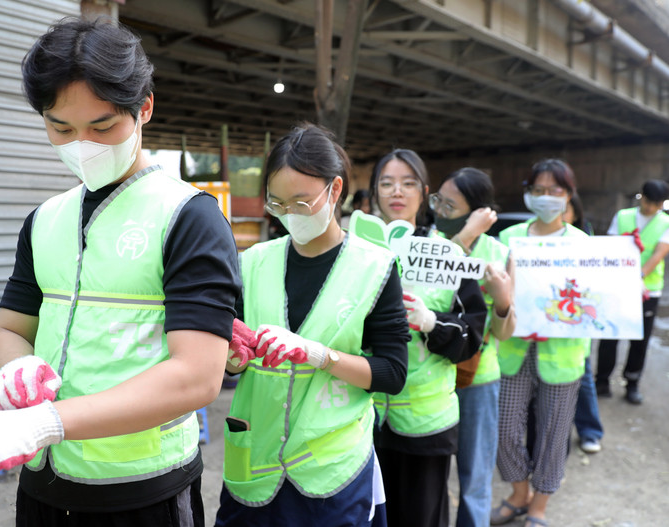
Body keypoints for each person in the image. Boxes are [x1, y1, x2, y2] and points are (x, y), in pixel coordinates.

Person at [0, 18, 241, 526]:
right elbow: (13, 328)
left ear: (144, 107)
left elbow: (197, 376)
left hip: (141, 487)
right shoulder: (45, 220)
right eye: (61, 127)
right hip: (46, 483)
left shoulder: (190, 217)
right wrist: (15, 368)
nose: (83, 145)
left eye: (102, 126)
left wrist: (42, 423)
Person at [214, 124, 410, 527]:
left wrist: (320, 355)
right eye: (277, 203)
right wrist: (231, 360)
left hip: (332, 470)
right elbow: (226, 359)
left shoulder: (375, 268)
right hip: (255, 462)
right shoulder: (252, 262)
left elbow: (392, 373)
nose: (288, 215)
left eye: (301, 203)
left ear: (334, 190)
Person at [367, 150, 487, 527]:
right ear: (373, 193)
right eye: (386, 183)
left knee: (422, 517)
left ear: (424, 192)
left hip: (425, 424)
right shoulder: (355, 251)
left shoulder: (447, 254)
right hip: (359, 421)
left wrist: (432, 322)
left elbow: (472, 336)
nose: (396, 192)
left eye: (408, 183)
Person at [492, 159, 589, 527]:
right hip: (512, 348)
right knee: (503, 429)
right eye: (538, 190)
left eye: (555, 191)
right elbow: (493, 295)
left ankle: (539, 506)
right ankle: (518, 493)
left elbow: (593, 303)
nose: (546, 197)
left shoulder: (582, 244)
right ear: (528, 193)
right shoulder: (507, 239)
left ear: (568, 196)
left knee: (553, 432)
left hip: (561, 353)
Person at [430, 167, 516, 527]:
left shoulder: (499, 252)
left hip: (479, 380)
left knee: (475, 479)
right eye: (438, 201)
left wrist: (501, 301)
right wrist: (463, 237)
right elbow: (432, 286)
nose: (440, 211)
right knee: (430, 476)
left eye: (451, 205)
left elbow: (506, 331)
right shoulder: (428, 242)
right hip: (431, 377)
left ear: (477, 211)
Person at [595, 179, 669, 405]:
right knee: (610, 336)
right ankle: (602, 380)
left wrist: (638, 277)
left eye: (657, 204)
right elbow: (613, 247)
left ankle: (632, 383)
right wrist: (624, 278)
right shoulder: (623, 216)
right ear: (641, 197)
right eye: (649, 202)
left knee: (640, 340)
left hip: (648, 290)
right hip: (618, 287)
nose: (651, 208)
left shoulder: (665, 222)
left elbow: (659, 254)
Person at [563, 195, 604, 453]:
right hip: (546, 326)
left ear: (575, 213)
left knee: (584, 377)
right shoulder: (532, 239)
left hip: (575, 324)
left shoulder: (583, 239)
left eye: (564, 209)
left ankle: (590, 431)